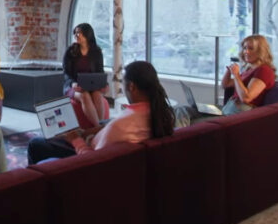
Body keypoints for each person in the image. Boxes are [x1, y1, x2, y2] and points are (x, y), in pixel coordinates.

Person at [28, 60, 175, 164]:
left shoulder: (121, 126)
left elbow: (93, 162)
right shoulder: (161, 115)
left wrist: (75, 140)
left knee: (36, 144)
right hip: (100, 144)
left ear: (132, 87)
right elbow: (121, 129)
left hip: (85, 158)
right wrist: (95, 130)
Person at [62, 23, 108, 128]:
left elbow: (100, 71)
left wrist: (105, 84)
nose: (76, 35)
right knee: (84, 95)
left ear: (87, 35)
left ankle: (99, 124)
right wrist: (73, 83)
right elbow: (66, 73)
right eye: (75, 33)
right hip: (73, 86)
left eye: (79, 33)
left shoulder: (96, 52)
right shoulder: (70, 51)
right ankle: (98, 128)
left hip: (91, 86)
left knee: (97, 94)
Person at [221, 34, 276, 115]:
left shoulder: (264, 70)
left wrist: (236, 75)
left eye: (251, 49)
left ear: (260, 51)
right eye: (245, 48)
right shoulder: (249, 68)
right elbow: (225, 84)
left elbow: (246, 98)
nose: (245, 51)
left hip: (242, 113)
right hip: (230, 108)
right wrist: (229, 70)